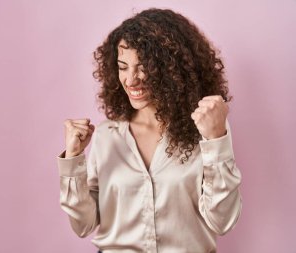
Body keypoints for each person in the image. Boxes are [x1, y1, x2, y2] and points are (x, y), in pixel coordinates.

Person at [57, 8, 242, 253]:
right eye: (123, 67)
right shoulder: (106, 136)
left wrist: (217, 140)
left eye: (143, 67)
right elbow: (82, 225)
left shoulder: (206, 131)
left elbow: (223, 221)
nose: (131, 80)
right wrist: (73, 160)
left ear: (171, 69)